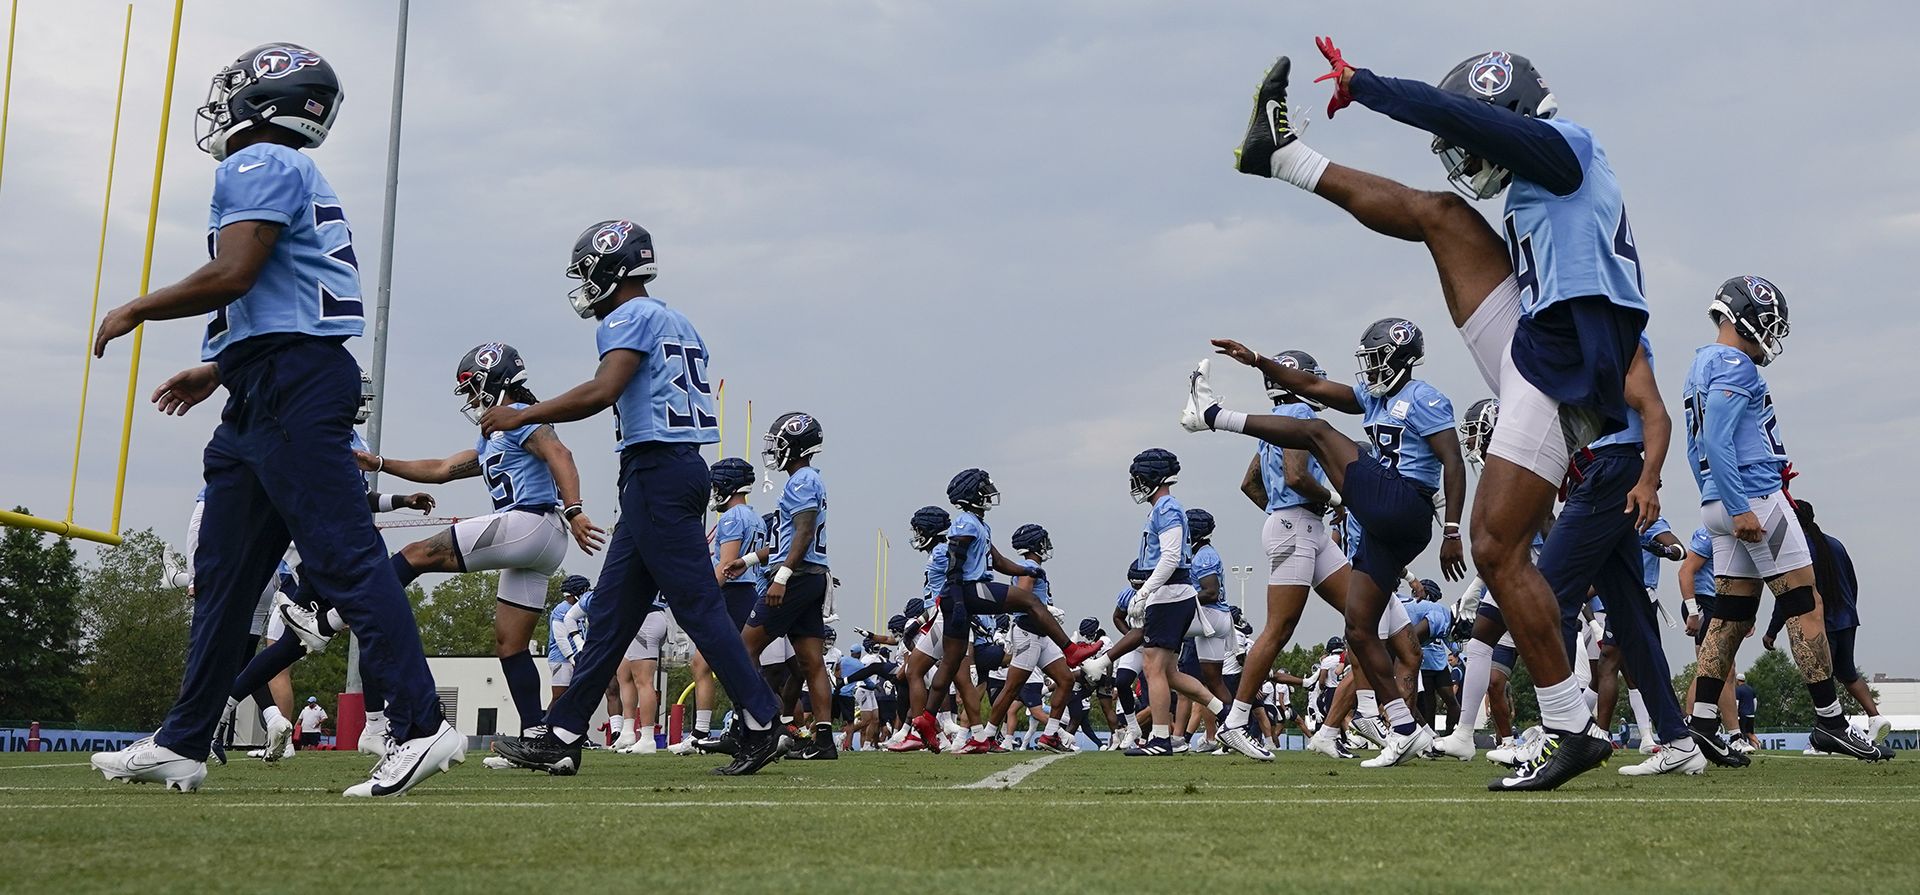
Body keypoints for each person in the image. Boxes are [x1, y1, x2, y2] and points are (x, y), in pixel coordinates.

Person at [1233, 41, 1651, 790]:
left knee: (1494, 545)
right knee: (1442, 213)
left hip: (1564, 367)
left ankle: (1569, 725)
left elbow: (1459, 114)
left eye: (1476, 135)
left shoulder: (1567, 146)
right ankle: (1283, 155)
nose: (1468, 152)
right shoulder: (1540, 183)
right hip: (1543, 340)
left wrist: (1368, 87)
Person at [89, 43, 459, 797]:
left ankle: (421, 724)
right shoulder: (287, 170)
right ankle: (186, 738)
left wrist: (136, 306)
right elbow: (281, 298)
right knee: (223, 579)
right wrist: (221, 365)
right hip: (263, 385)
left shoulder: (257, 162)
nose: (224, 106)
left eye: (236, 93)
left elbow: (237, 273)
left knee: (346, 557)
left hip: (292, 384)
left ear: (267, 99)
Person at [485, 220, 783, 776]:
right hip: (674, 469)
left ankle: (763, 719)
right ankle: (566, 733)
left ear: (610, 269)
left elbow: (604, 389)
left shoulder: (628, 316)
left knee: (696, 606)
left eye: (589, 272)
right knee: (611, 614)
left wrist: (523, 413)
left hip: (657, 470)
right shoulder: (676, 319)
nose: (585, 284)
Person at [1186, 317, 1466, 767]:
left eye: (1377, 361)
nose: (1370, 370)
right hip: (1380, 521)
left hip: (1405, 503)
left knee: (1317, 432)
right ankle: (1405, 728)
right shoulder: (1374, 400)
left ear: (1400, 358)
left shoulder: (1425, 397)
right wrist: (1258, 360)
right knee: (1359, 626)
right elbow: (1312, 386)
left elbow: (1453, 460)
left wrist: (1452, 530)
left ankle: (1215, 416)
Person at [1681, 277, 1883, 762]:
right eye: (1768, 321)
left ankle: (1703, 723)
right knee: (1803, 602)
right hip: (1752, 497)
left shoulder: (1700, 364)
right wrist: (1741, 504)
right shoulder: (1734, 364)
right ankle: (1830, 721)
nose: (1771, 333)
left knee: (1730, 615)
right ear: (1743, 315)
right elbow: (1717, 442)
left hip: (1720, 501)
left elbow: (1699, 448)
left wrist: (1718, 500)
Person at [356, 343, 605, 736]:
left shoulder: (521, 417)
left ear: (492, 381)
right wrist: (382, 464)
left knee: (413, 555)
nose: (471, 398)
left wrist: (575, 509)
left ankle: (344, 612)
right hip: (540, 540)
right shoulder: (495, 436)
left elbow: (561, 453)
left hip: (530, 522)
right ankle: (534, 734)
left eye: (472, 387)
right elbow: (440, 469)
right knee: (511, 645)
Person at [1220, 350, 1354, 761]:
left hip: (1299, 525)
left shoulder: (1276, 421)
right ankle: (1234, 722)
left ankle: (1366, 719)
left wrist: (1280, 511)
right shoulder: (1297, 414)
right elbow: (1296, 475)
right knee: (1279, 630)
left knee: (1367, 616)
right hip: (1298, 525)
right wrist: (1331, 498)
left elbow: (1250, 483)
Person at [718, 413, 838, 761]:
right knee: (810, 661)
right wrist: (752, 560)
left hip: (797, 578)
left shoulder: (800, 481)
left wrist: (782, 575)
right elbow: (788, 538)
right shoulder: (809, 480)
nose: (774, 451)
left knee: (742, 650)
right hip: (811, 575)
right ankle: (824, 741)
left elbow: (803, 533)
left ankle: (757, 729)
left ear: (798, 445)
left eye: (780, 444)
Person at [1765, 500, 1890, 744]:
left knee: (1818, 676)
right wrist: (1849, 610)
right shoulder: (1834, 543)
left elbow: (1789, 596)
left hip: (1821, 622)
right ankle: (1875, 718)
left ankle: (1828, 734)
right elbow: (1852, 583)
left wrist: (1772, 630)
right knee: (1847, 672)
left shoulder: (1798, 551)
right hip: (1847, 618)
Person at [980, 524, 1076, 753]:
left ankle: (1050, 735)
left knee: (1066, 679)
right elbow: (1023, 596)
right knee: (1012, 688)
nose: (1047, 546)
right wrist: (1045, 610)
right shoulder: (1030, 566)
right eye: (1043, 541)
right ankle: (988, 736)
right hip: (1028, 634)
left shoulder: (1028, 565)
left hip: (1040, 635)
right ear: (1036, 544)